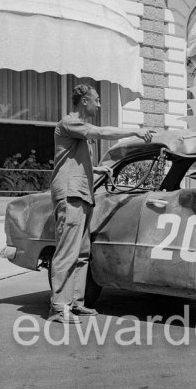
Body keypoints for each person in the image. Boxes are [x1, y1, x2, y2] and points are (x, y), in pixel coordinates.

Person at [49, 84, 154, 323]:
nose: (99, 104)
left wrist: (95, 168)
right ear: (84, 100)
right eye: (96, 100)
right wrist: (134, 132)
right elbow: (101, 132)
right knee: (67, 251)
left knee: (82, 252)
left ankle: (75, 302)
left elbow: (68, 159)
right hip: (70, 193)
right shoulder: (69, 122)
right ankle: (58, 307)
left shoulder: (78, 131)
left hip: (83, 193)